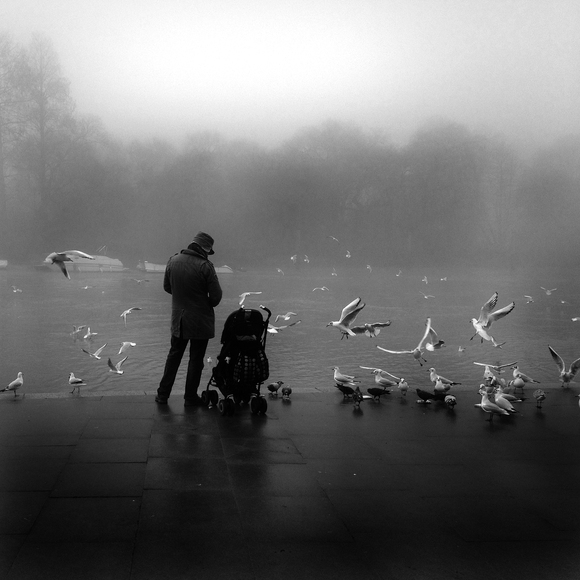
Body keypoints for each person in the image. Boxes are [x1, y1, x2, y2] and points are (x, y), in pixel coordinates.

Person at [156, 232, 223, 406]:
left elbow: (167, 287)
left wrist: (181, 297)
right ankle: (190, 397)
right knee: (196, 360)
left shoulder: (173, 260)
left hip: (179, 319)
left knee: (174, 357)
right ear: (204, 249)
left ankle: (162, 395)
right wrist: (202, 301)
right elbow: (216, 297)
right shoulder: (205, 266)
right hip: (200, 321)